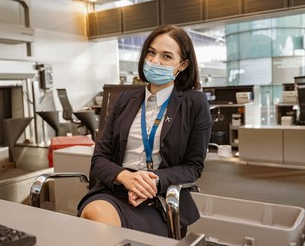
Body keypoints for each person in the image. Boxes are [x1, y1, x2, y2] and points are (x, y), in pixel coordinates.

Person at [77, 24, 212, 237]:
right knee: (96, 215)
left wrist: (152, 181)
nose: (155, 61)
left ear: (182, 65)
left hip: (160, 196)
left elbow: (193, 167)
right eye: (151, 52)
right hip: (115, 189)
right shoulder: (125, 100)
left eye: (166, 56)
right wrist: (126, 178)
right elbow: (99, 159)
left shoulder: (194, 103)